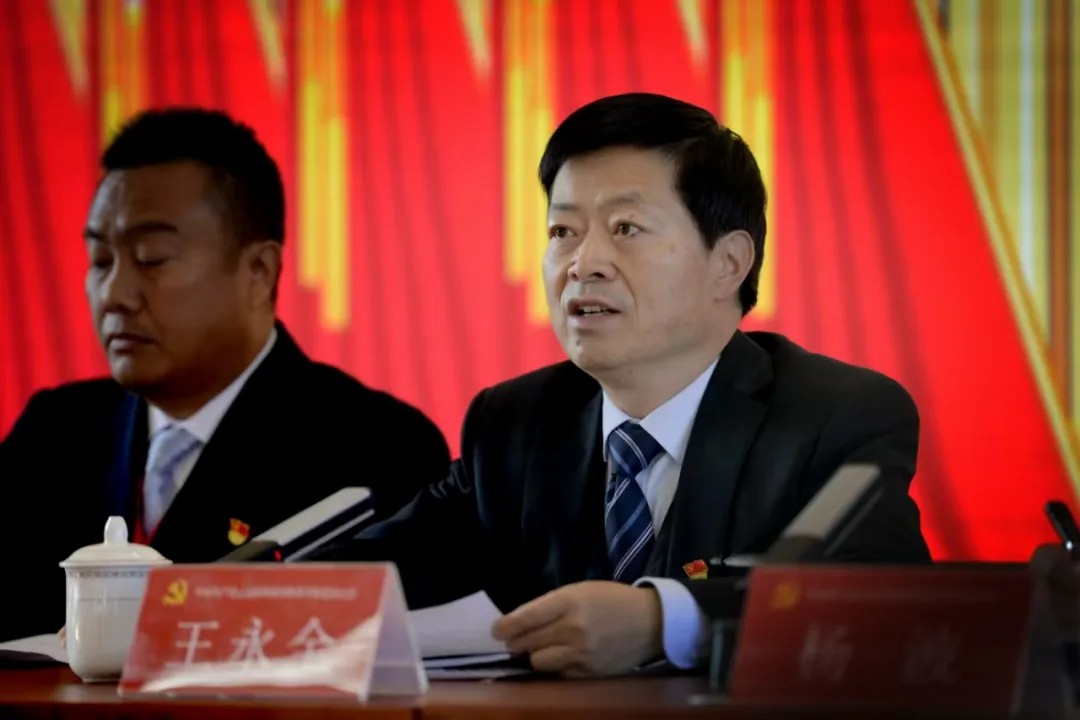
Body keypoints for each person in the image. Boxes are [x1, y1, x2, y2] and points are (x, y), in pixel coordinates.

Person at [311, 92, 931, 676]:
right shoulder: (516, 424)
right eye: (563, 232)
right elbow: (370, 576)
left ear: (728, 263)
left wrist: (666, 621)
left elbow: (882, 608)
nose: (584, 263)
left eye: (626, 228)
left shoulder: (834, 416)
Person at [0, 108, 450, 641]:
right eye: (100, 260)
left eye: (152, 258)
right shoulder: (53, 434)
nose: (115, 294)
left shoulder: (375, 449)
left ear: (259, 271)